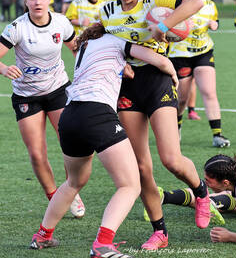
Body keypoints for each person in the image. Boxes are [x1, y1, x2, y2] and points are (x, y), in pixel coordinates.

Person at [30, 23, 180, 257]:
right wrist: (171, 71)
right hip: (97, 113)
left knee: (74, 181)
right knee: (130, 185)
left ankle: (42, 236)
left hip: (70, 115)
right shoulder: (117, 41)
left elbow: (113, 68)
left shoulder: (86, 46)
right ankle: (102, 244)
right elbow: (157, 59)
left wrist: (124, 68)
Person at [99, 0, 211, 250]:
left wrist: (163, 25)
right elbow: (107, 46)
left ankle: (200, 191)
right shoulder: (107, 11)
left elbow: (195, 2)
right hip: (128, 87)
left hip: (159, 80)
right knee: (141, 168)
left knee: (170, 159)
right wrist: (118, 64)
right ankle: (159, 231)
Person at [0, 0, 85, 218]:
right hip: (27, 96)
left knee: (71, 145)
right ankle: (54, 197)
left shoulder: (60, 22)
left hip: (58, 90)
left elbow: (77, 48)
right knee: (37, 154)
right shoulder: (17, 27)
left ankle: (71, 190)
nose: (38, 2)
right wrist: (4, 69)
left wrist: (85, 70)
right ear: (25, 2)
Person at [168, 0, 230, 147]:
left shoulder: (209, 4)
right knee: (181, 98)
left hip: (203, 52)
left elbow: (215, 21)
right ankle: (177, 127)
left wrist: (214, 25)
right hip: (180, 55)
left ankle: (217, 135)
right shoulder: (176, 5)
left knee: (209, 92)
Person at [168, 0, 200, 121]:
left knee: (190, 80)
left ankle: (191, 109)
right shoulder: (165, 7)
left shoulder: (188, 4)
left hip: (189, 52)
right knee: (176, 86)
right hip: (170, 52)